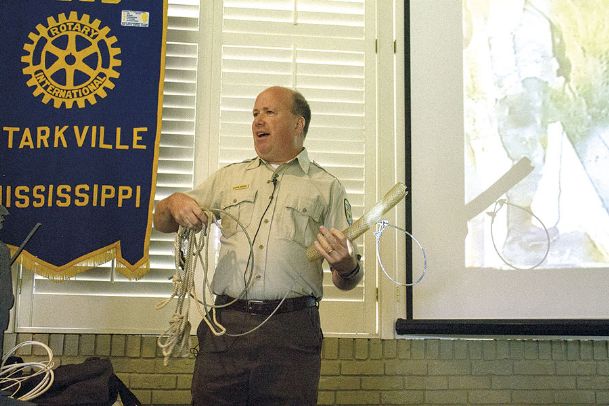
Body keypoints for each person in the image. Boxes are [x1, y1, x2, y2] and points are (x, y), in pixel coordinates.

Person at [153, 86, 362, 405]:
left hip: (291, 332)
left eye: (269, 112)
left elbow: (346, 279)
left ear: (298, 124)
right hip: (227, 325)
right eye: (254, 114)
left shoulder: (326, 187)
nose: (257, 121)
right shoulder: (228, 178)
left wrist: (348, 265)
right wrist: (172, 203)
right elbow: (162, 221)